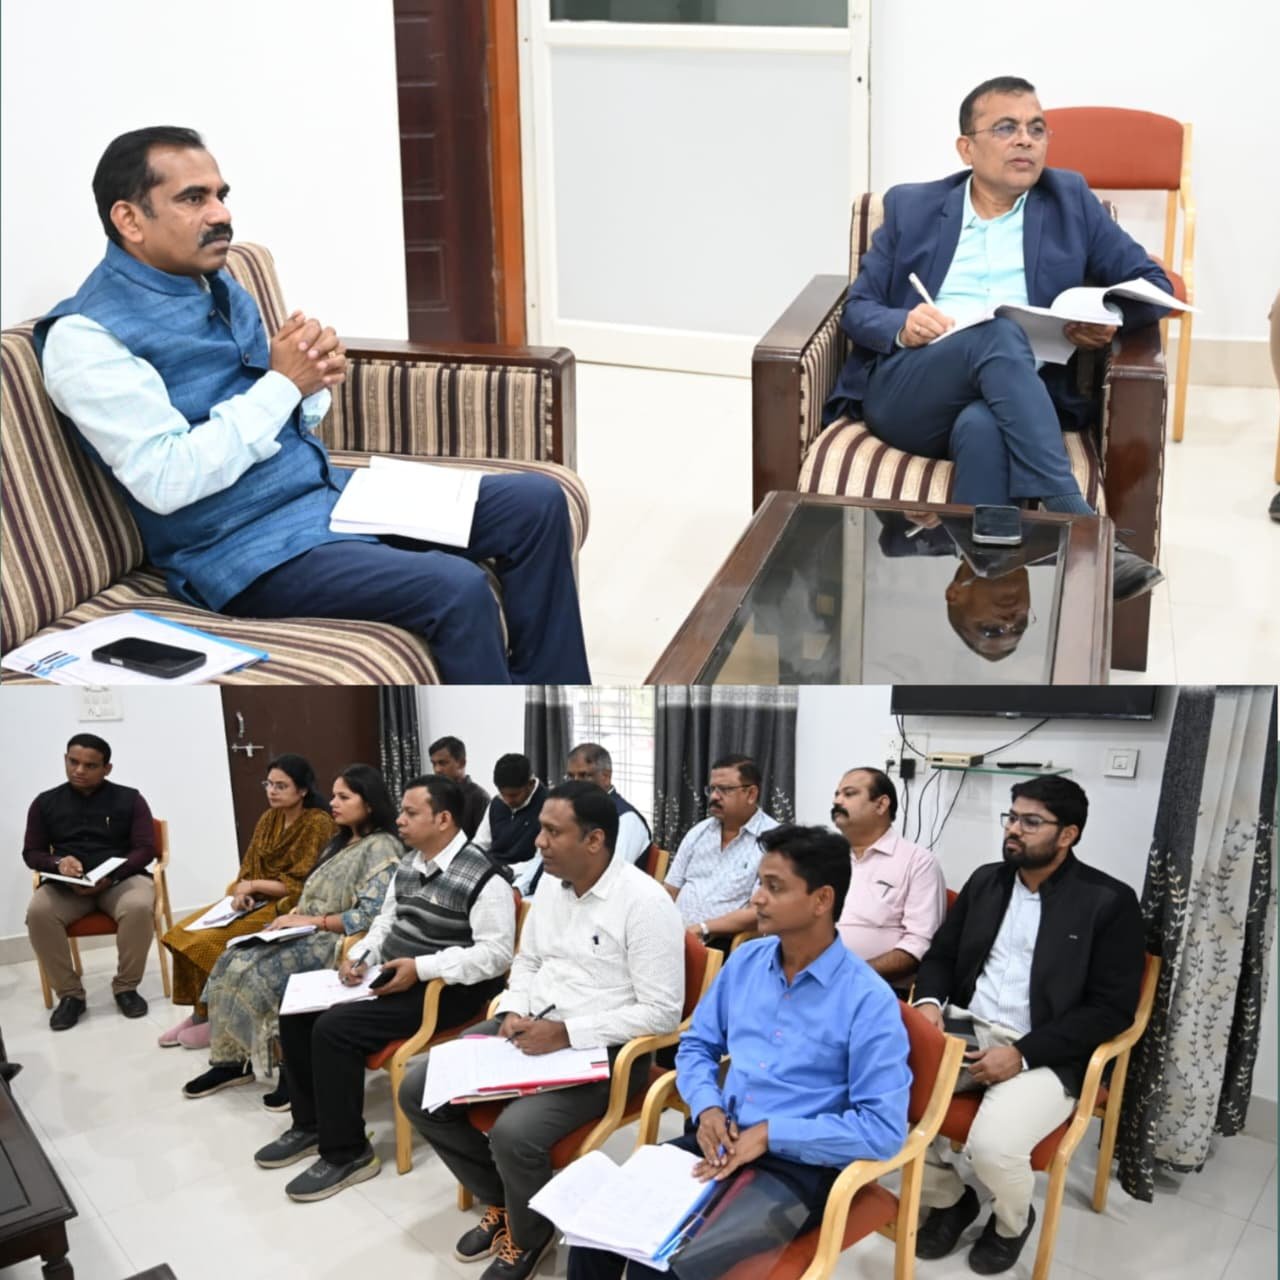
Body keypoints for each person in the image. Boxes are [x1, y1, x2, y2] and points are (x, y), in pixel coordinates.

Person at [33, 126, 590, 684]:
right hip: (245, 551)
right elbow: (165, 479)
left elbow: (272, 413)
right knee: (456, 587)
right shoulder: (85, 338)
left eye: (221, 195)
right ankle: (495, 735)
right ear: (130, 220)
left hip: (326, 495)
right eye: (193, 198)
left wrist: (313, 380)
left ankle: (548, 709)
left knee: (535, 504)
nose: (221, 214)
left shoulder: (214, 282)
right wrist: (283, 384)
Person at [825, 76, 1170, 603]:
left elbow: (1154, 285)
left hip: (1013, 402)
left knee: (983, 425)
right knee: (998, 333)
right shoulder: (913, 207)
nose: (1025, 139)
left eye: (1037, 128)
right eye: (1006, 128)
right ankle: (1077, 521)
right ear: (967, 148)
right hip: (912, 392)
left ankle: (985, 587)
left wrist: (1108, 316)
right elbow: (859, 308)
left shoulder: (1070, 201)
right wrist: (902, 324)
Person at [567, 824, 912, 1280]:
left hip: (796, 1169)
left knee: (663, 1267)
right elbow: (698, 1044)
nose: (757, 899)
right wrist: (707, 1106)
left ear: (822, 900)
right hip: (721, 1138)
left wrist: (771, 1134)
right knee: (595, 1231)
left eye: (774, 887)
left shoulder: (867, 1001)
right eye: (759, 884)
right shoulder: (748, 961)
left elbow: (882, 1129)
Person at [399, 782, 684, 1280]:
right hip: (532, 1025)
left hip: (607, 1052)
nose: (538, 842)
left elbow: (662, 1013)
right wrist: (512, 1008)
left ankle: (530, 1237)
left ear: (594, 840)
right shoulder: (552, 884)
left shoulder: (645, 903)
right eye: (541, 829)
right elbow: (528, 960)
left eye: (553, 832)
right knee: (419, 1088)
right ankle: (506, 1201)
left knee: (515, 1133)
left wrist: (567, 1032)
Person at [911, 776, 1143, 1274]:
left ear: (1068, 835)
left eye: (1031, 822)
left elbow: (1111, 1009)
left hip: (1048, 1049)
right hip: (966, 1028)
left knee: (993, 1148)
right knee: (877, 1097)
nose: (1014, 829)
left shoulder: (1108, 901)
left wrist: (1023, 1054)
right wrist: (929, 1003)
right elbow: (942, 956)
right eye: (1012, 817)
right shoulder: (986, 882)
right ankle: (951, 1200)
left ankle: (1011, 1223)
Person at [252, 774, 515, 1202]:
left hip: (446, 990)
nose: (400, 820)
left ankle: (348, 1153)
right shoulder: (410, 864)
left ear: (444, 819)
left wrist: (422, 968)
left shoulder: (486, 877)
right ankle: (311, 1125)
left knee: (334, 1029)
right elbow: (385, 923)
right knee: (296, 1011)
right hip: (394, 973)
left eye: (411, 813)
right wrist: (362, 956)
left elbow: (496, 955)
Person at [177, 764, 403, 1106]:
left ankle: (292, 1072)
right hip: (306, 927)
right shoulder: (340, 841)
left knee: (261, 972)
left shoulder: (382, 847)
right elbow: (311, 892)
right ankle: (230, 1062)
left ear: (369, 803)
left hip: (336, 939)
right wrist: (291, 917)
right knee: (231, 958)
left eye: (344, 797)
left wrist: (310, 920)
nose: (333, 803)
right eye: (334, 795)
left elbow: (370, 916)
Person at [160, 753, 334, 1049]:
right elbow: (249, 867)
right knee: (183, 933)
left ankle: (219, 1018)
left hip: (286, 905)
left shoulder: (318, 823)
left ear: (303, 790)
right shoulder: (269, 819)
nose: (272, 791)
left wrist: (253, 886)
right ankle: (199, 1012)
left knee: (208, 943)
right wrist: (242, 893)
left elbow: (302, 884)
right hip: (254, 899)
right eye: (269, 784)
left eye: (281, 786)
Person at [24, 734, 158, 1030]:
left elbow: (145, 849)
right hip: (67, 886)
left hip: (120, 880)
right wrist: (58, 863)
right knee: (38, 913)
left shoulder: (130, 799)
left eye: (90, 765)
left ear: (107, 769)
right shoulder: (45, 803)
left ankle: (126, 988)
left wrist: (112, 875)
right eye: (73, 762)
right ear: (65, 760)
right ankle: (70, 995)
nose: (79, 770)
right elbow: (31, 852)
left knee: (138, 906)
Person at [830, 767, 947, 988]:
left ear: (881, 804)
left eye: (849, 794)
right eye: (837, 794)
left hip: (877, 989)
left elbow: (919, 945)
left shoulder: (917, 862)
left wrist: (852, 975)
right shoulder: (827, 857)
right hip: (815, 980)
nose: (837, 801)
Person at [665, 755, 779, 944]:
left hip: (720, 941)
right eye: (712, 789)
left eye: (725, 790)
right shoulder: (699, 832)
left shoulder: (773, 841)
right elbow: (670, 890)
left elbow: (759, 911)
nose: (714, 797)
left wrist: (703, 928)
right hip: (675, 936)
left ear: (751, 794)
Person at [565, 742, 652, 866]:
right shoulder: (575, 811)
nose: (575, 784)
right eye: (570, 777)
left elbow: (612, 871)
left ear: (606, 776)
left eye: (583, 775)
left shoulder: (626, 819)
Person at [473, 753, 549, 892]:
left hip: (523, 880)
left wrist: (508, 871)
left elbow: (542, 860)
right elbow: (480, 845)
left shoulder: (549, 805)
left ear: (530, 784)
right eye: (502, 794)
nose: (507, 800)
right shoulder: (497, 802)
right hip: (493, 874)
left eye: (514, 795)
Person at [429, 735, 492, 839]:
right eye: (434, 764)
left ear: (461, 763)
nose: (437, 769)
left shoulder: (479, 797)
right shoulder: (434, 796)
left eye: (442, 763)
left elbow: (484, 842)